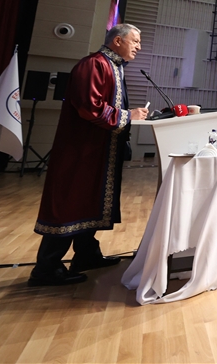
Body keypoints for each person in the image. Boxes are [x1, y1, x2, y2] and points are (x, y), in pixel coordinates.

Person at [30, 24, 149, 287]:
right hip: (81, 152)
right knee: (70, 203)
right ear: (117, 41)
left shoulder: (115, 67)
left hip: (100, 152)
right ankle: (46, 268)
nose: (139, 47)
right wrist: (129, 116)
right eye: (136, 41)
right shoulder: (94, 65)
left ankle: (86, 255)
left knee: (90, 203)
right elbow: (89, 106)